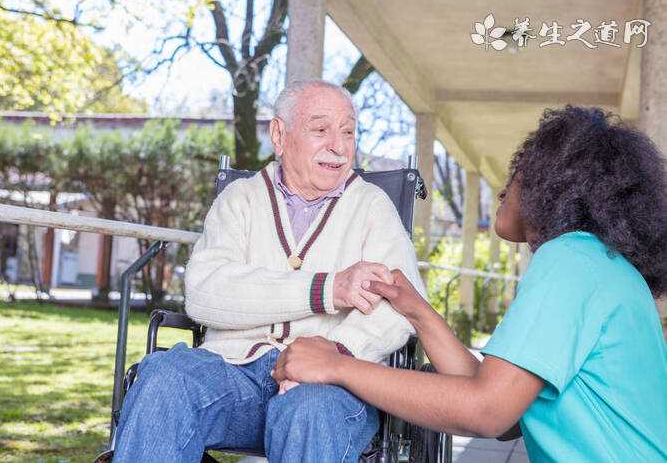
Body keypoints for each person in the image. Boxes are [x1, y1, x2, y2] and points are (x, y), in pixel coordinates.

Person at [273, 106, 667, 462]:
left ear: (552, 186)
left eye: (517, 174)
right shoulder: (600, 266)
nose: (502, 188)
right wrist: (419, 314)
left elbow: (486, 411)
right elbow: (508, 413)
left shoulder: (571, 260)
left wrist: (338, 367)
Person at [111, 79, 427, 462]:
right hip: (232, 373)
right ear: (280, 134)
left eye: (348, 131)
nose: (339, 146)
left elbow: (401, 308)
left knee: (308, 410)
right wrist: (326, 289)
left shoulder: (372, 207)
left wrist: (334, 355)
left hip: (332, 386)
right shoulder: (240, 199)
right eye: (321, 129)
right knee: (164, 378)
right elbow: (205, 291)